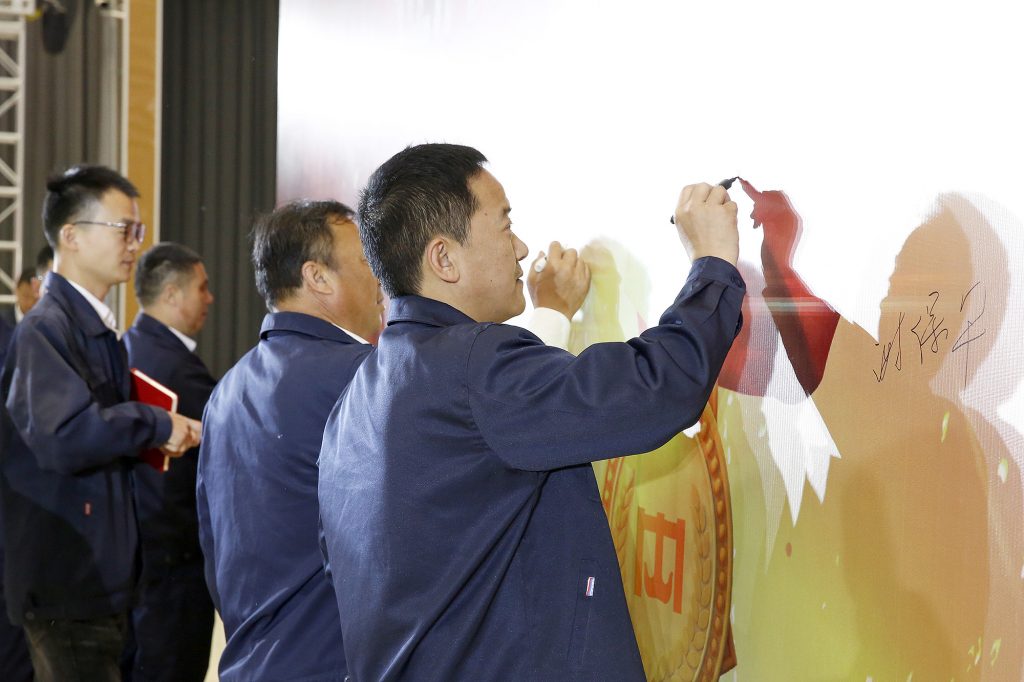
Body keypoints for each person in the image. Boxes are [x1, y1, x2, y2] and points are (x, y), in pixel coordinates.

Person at [317, 143, 744, 681]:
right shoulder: (472, 365)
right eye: (504, 225)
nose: (520, 248)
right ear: (443, 259)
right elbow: (654, 387)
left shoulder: (352, 405)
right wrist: (712, 264)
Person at [197, 198, 589, 681]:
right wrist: (551, 314)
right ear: (318, 278)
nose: (385, 281)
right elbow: (509, 423)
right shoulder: (364, 381)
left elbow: (215, 554)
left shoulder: (225, 393)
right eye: (368, 261)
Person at [0, 165, 201, 681]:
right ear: (71, 236)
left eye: (138, 230)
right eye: (122, 229)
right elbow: (65, 435)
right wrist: (154, 423)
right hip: (69, 581)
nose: (135, 244)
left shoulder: (94, 328)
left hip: (100, 578)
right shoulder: (45, 330)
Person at [123, 242, 217, 681]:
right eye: (202, 287)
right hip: (172, 563)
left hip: (133, 556)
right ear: (173, 294)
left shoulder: (125, 350)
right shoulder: (179, 372)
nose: (210, 298)